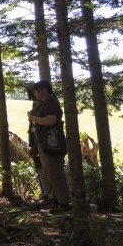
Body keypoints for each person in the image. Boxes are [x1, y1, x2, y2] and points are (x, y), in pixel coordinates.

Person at [28, 80, 71, 212]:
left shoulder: (51, 102)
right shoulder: (46, 102)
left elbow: (51, 120)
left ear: (44, 90)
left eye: (37, 90)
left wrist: (34, 118)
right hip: (46, 143)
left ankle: (64, 204)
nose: (35, 93)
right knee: (49, 173)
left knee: (55, 173)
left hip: (53, 143)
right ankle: (55, 201)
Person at [26, 86, 51, 203]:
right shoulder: (36, 106)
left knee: (46, 172)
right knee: (40, 171)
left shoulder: (43, 106)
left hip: (42, 144)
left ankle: (50, 196)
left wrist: (35, 145)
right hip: (36, 144)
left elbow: (37, 127)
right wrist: (32, 145)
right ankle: (46, 195)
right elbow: (32, 129)